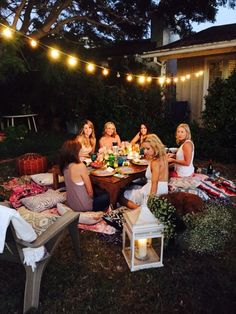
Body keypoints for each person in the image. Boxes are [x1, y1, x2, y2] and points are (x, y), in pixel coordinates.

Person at [59, 139, 109, 212]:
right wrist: (91, 199)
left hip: (71, 204)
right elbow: (90, 193)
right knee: (107, 195)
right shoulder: (80, 166)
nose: (82, 149)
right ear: (74, 152)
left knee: (97, 189)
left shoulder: (64, 166)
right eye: (80, 148)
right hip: (84, 207)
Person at [120, 134, 169, 209]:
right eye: (144, 149)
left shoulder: (155, 162)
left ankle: (142, 210)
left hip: (154, 190)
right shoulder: (163, 157)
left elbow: (154, 183)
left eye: (148, 148)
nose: (145, 151)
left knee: (121, 196)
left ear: (155, 146)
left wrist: (151, 202)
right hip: (164, 190)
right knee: (132, 187)